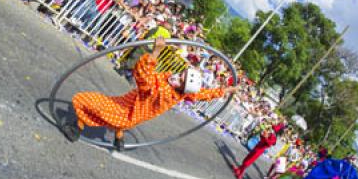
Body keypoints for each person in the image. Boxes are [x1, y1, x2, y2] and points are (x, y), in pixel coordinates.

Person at [62, 37, 236, 150]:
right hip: (133, 102)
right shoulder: (180, 91)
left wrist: (156, 52)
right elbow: (204, 93)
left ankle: (77, 127)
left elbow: (143, 76)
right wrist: (225, 90)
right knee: (117, 117)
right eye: (182, 73)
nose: (177, 75)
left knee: (91, 103)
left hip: (134, 110)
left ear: (183, 88)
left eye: (181, 78)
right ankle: (119, 138)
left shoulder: (163, 91)